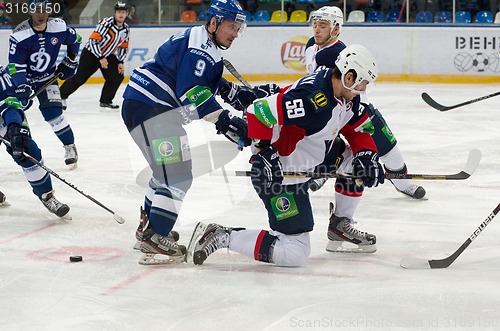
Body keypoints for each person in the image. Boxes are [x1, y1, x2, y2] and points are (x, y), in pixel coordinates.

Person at [188, 44, 385, 267]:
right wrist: (263, 153)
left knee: (356, 164)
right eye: (363, 82)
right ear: (349, 76)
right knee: (295, 252)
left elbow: (358, 128)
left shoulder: (345, 94)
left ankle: (340, 223)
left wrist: (367, 155)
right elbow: (257, 111)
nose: (364, 89)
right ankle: (222, 235)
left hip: (313, 153)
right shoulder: (313, 100)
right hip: (281, 172)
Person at [121, 0, 261, 265]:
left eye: (238, 28)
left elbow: (204, 78)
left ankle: (148, 229)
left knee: (164, 171)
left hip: (143, 106)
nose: (235, 33)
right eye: (231, 26)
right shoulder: (201, 49)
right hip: (155, 112)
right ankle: (155, 237)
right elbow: (192, 91)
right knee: (177, 174)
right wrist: (226, 121)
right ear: (214, 22)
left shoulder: (201, 42)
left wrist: (233, 93)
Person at [304, 6, 426, 200]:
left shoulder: (339, 54)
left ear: (336, 29)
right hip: (331, 107)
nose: (317, 30)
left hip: (356, 107)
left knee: (387, 147)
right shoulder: (311, 46)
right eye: (316, 25)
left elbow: (353, 89)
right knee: (323, 140)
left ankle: (402, 182)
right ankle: (324, 168)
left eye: (323, 26)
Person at [8, 0, 81, 169]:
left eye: (44, 10)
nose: (41, 15)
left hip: (47, 77)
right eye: (37, 11)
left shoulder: (59, 27)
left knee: (54, 114)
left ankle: (69, 147)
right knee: (11, 113)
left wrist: (71, 59)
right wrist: (21, 85)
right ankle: (25, 149)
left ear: (49, 11)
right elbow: (14, 66)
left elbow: (75, 39)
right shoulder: (19, 35)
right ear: (30, 12)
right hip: (23, 80)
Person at [0, 65, 70, 217]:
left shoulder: (2, 77)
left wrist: (15, 127)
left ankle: (47, 195)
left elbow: (10, 103)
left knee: (26, 149)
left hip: (3, 119)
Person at [60, 2, 130, 111]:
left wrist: (120, 61)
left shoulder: (125, 29)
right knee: (79, 78)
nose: (121, 14)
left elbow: (124, 46)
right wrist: (100, 57)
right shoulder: (105, 24)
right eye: (119, 12)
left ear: (126, 14)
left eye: (123, 12)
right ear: (115, 13)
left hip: (107, 55)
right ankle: (61, 96)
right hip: (91, 54)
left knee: (117, 76)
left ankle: (106, 100)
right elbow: (93, 41)